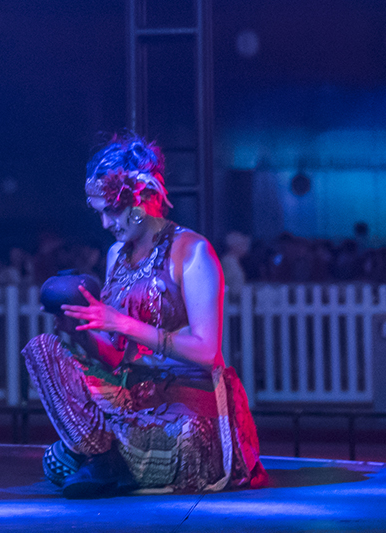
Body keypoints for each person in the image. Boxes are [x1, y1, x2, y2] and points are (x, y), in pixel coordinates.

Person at [23, 134, 267, 498]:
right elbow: (119, 356)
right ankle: (105, 457)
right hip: (132, 396)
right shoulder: (116, 255)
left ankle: (98, 456)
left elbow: (206, 352)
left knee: (60, 462)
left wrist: (123, 323)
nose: (105, 223)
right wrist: (81, 331)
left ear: (138, 200)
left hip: (186, 407)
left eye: (112, 211)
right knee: (42, 350)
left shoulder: (193, 252)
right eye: (100, 212)